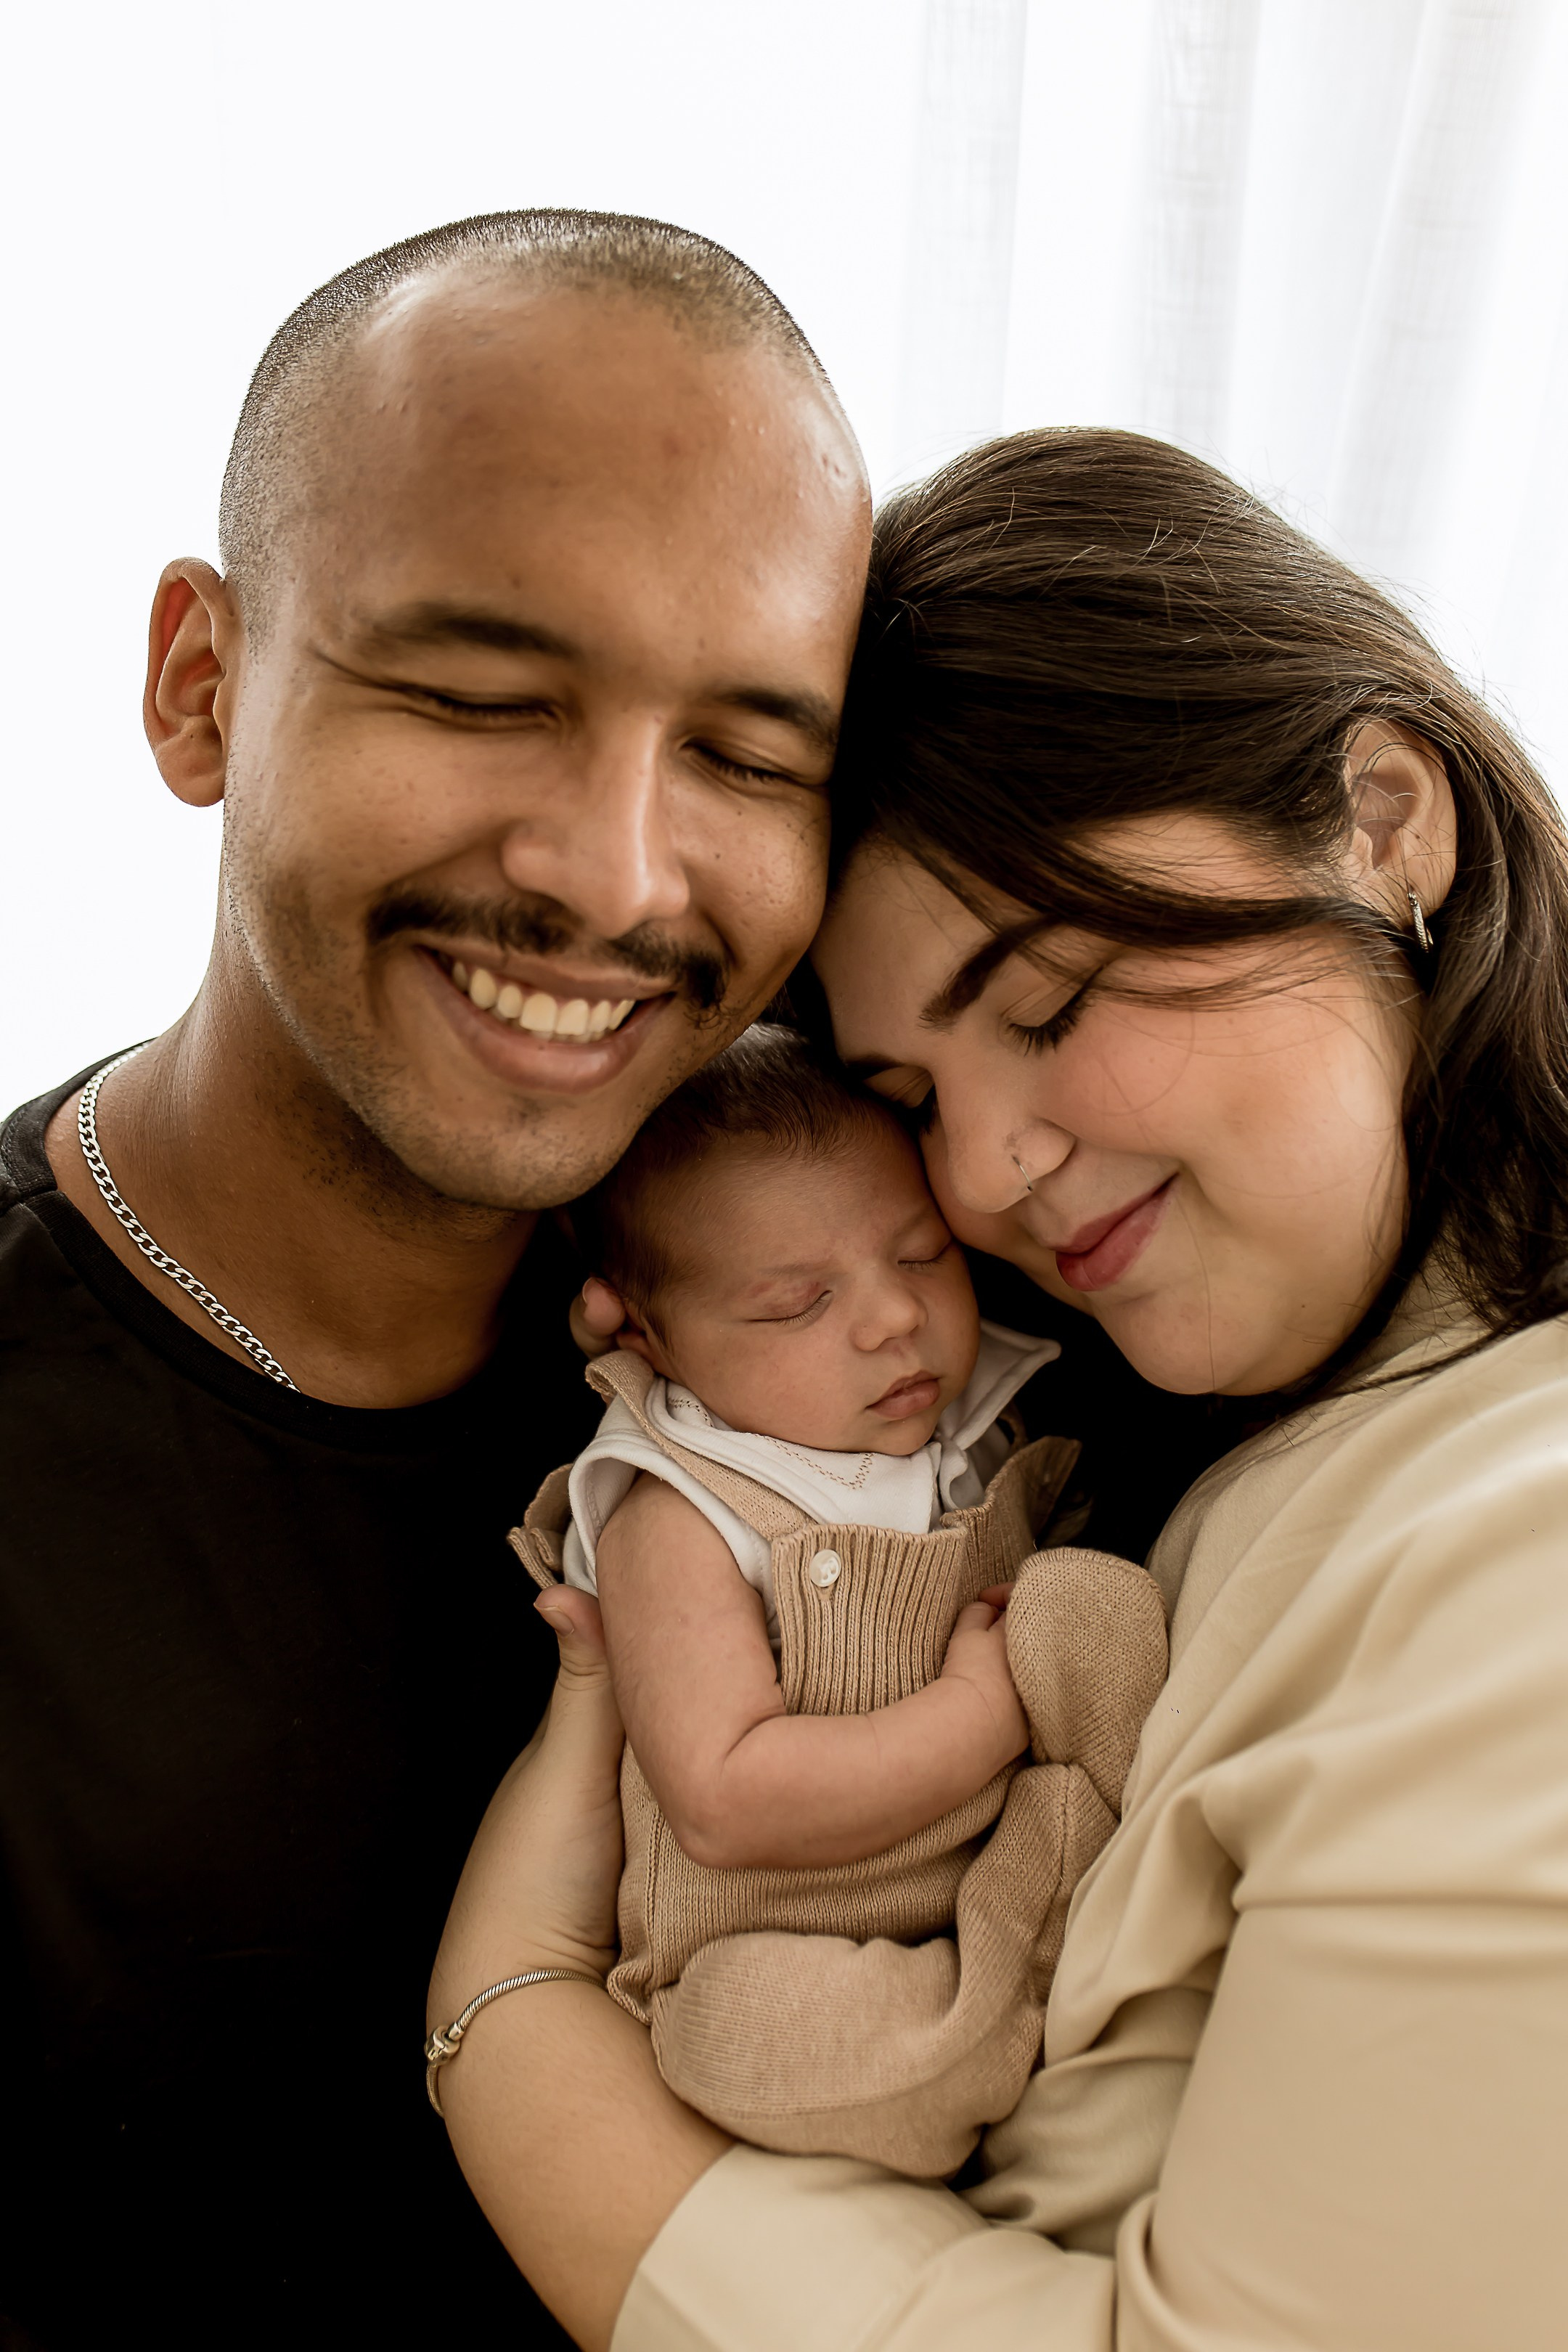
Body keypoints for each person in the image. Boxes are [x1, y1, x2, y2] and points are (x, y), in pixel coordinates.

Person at [426, 428, 1568, 2350]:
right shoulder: (1164, 1433)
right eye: (911, 1107)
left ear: (1387, 818)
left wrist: (514, 2028)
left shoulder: (1522, 1548)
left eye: (1044, 1006)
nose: (980, 1184)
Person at [0, 208, 871, 2350]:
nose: (613, 871)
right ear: (203, 687)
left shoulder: (865, 1328)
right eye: (485, 696)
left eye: (751, 757)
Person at [501, 1021, 1164, 2176]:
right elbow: (721, 1797)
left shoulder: (973, 1407)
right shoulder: (679, 1508)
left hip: (990, 1861)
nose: (892, 1319)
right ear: (644, 1333)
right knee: (740, 2036)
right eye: (795, 1304)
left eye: (920, 1256)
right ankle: (1011, 1993)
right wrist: (980, 1718)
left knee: (1097, 1605)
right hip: (782, 1939)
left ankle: (1062, 1932)